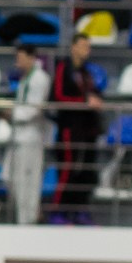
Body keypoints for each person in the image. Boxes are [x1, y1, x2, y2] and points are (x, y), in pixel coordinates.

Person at [49, 32, 104, 222]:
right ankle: (58, 211)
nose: (86, 50)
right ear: (73, 47)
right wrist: (84, 102)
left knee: (87, 170)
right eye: (83, 46)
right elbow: (57, 97)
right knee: (67, 169)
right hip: (69, 127)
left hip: (87, 128)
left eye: (88, 46)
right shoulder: (63, 68)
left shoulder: (86, 72)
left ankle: (80, 210)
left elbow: (93, 94)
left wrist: (96, 100)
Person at [6, 46, 51, 226]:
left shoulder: (39, 78)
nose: (18, 62)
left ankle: (28, 220)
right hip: (20, 134)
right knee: (17, 180)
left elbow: (34, 108)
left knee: (29, 180)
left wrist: (13, 114)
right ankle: (22, 219)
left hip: (31, 136)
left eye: (21, 57)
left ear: (31, 58)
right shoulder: (26, 77)